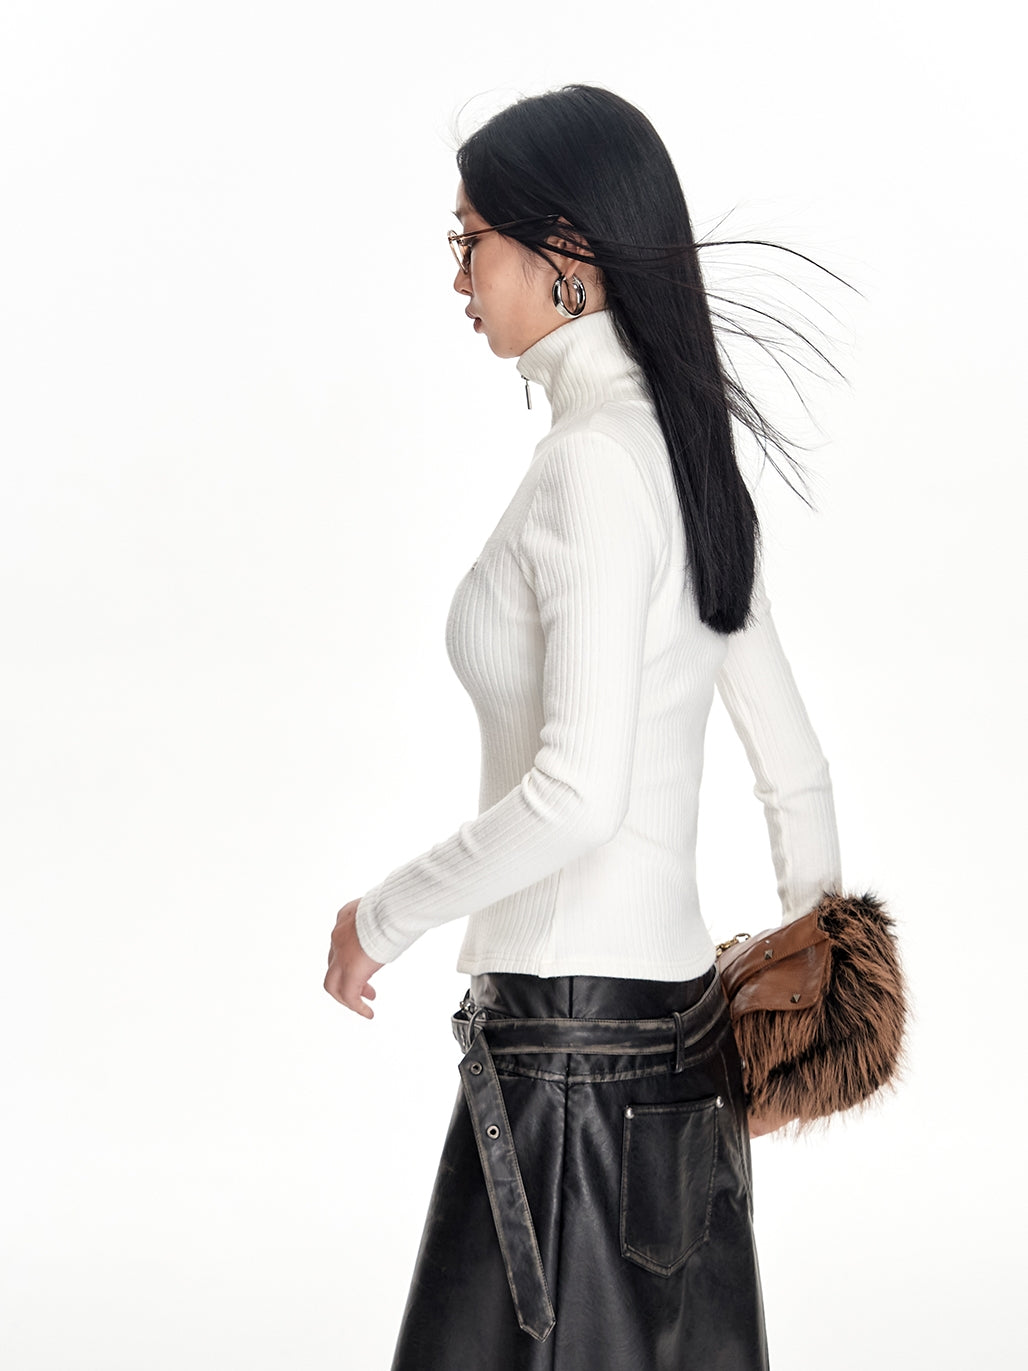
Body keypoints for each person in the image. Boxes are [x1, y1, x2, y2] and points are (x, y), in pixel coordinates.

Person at [325, 84, 850, 1371]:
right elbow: (791, 767)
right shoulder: (683, 455)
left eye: (470, 242)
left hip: (566, 1052)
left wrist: (380, 917)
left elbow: (576, 793)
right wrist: (811, 1001)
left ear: (563, 249)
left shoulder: (592, 467)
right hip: (674, 1048)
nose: (457, 278)